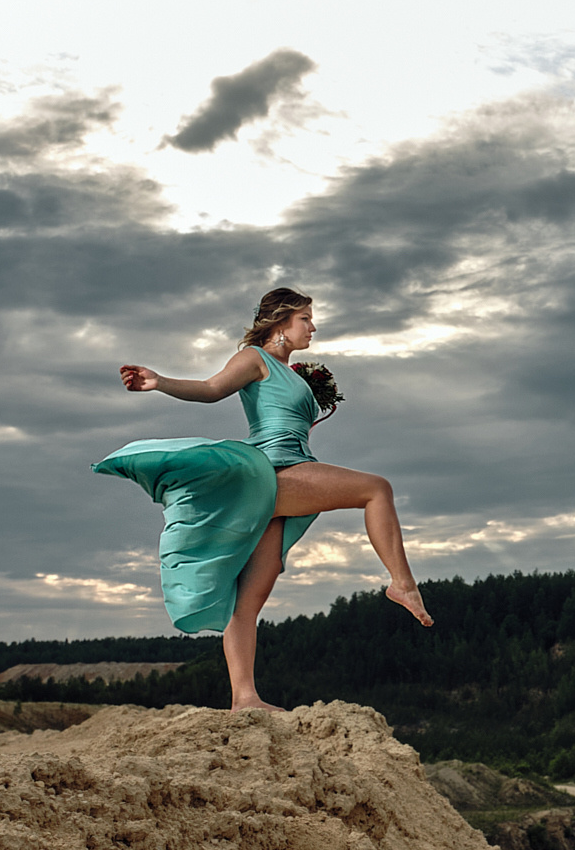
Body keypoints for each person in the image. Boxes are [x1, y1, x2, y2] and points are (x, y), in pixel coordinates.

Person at [95, 286, 431, 710]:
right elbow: (212, 388)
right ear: (280, 321)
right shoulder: (254, 358)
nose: (313, 326)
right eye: (305, 318)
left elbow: (289, 418)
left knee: (250, 595)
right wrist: (159, 382)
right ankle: (402, 584)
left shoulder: (292, 372)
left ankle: (244, 698)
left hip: (288, 468)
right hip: (275, 472)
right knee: (376, 488)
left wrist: (312, 402)